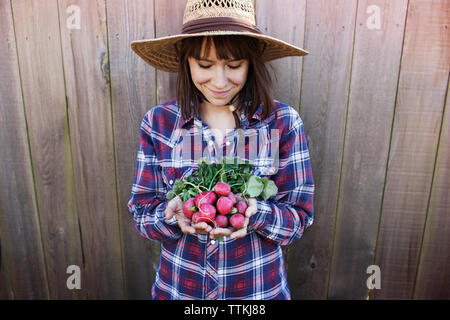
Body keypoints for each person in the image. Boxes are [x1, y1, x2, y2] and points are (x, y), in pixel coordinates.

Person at [128, 0, 314, 300]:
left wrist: (257, 214)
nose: (219, 81)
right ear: (185, 61)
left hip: (257, 294)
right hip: (180, 293)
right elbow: (141, 215)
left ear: (251, 63)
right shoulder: (159, 123)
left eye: (234, 65)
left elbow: (299, 219)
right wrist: (171, 215)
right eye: (204, 65)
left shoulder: (282, 123)